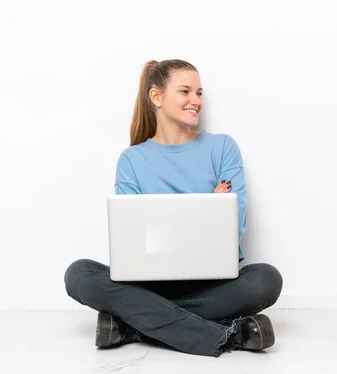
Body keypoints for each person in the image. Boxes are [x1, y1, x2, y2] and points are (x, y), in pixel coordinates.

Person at [64, 59, 283, 357]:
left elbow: (235, 227)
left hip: (212, 282)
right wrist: (207, 206)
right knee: (79, 274)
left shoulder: (221, 147)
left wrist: (181, 224)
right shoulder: (132, 159)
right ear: (156, 97)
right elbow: (130, 238)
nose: (196, 101)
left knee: (266, 279)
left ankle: (131, 325)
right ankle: (229, 335)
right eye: (185, 91)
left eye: (200, 93)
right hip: (151, 284)